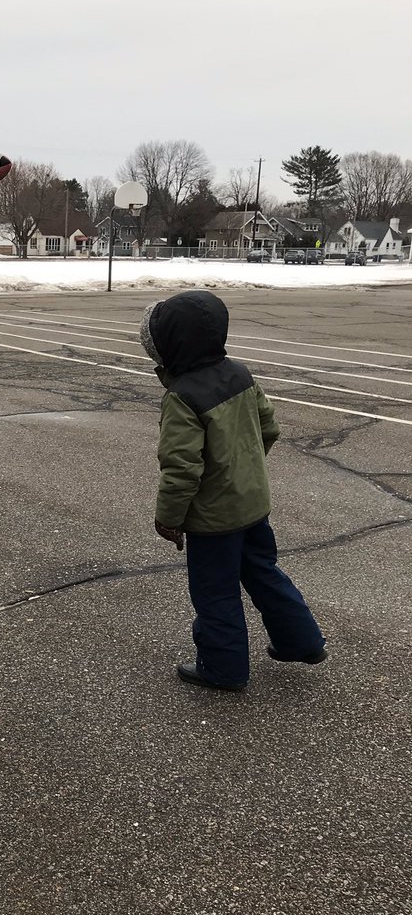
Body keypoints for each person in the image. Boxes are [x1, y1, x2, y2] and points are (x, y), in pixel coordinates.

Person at [140, 290, 327, 691]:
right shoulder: (241, 374)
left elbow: (182, 467)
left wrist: (168, 518)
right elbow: (269, 428)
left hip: (214, 521)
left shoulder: (182, 397)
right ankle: (302, 641)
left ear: (171, 349)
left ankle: (222, 669)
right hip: (254, 505)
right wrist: (245, 472)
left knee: (214, 593)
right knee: (264, 572)